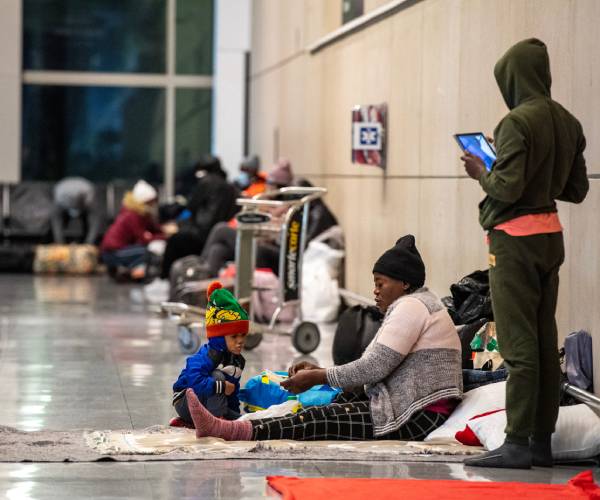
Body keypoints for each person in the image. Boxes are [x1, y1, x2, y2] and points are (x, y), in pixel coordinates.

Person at [181, 235, 463, 442]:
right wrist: (321, 373)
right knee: (334, 402)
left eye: (381, 284)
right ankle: (237, 424)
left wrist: (319, 376)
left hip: (417, 415)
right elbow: (374, 367)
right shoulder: (417, 304)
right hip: (415, 407)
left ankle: (231, 430)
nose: (375, 291)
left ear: (404, 283)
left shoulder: (412, 306)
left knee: (318, 419)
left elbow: (374, 367)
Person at [460, 39, 588, 469]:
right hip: (550, 239)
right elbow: (576, 190)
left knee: (518, 346)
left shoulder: (516, 122)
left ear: (513, 79)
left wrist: (482, 169)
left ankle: (515, 442)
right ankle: (540, 443)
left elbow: (506, 188)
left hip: (513, 243)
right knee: (545, 341)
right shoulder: (568, 122)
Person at [170, 281, 248, 427]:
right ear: (219, 337)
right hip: (184, 401)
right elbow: (194, 381)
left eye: (243, 335)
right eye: (234, 337)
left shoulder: (238, 362)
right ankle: (216, 422)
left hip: (208, 404)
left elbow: (232, 392)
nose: (240, 341)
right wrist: (221, 387)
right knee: (218, 376)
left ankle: (203, 420)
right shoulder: (209, 355)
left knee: (242, 419)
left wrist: (235, 417)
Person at [160, 155, 239, 279]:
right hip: (213, 235)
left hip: (202, 234)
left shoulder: (206, 182)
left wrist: (179, 225)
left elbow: (192, 207)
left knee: (174, 241)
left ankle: (165, 279)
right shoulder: (230, 187)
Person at [100, 180, 165, 281]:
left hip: (111, 250)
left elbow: (153, 229)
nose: (153, 204)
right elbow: (143, 238)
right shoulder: (133, 215)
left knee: (145, 250)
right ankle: (131, 272)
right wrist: (164, 236)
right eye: (151, 201)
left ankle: (128, 271)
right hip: (113, 252)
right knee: (148, 253)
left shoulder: (135, 213)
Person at [51, 177, 101, 245]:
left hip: (86, 197)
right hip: (63, 194)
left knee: (93, 218)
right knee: (56, 218)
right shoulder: (60, 195)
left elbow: (94, 219)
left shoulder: (89, 194)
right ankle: (59, 243)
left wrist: (89, 242)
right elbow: (56, 217)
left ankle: (89, 243)